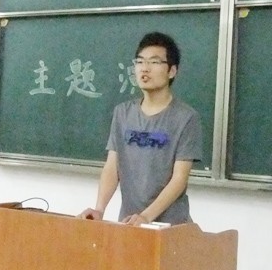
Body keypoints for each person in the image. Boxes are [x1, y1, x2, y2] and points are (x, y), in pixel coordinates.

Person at [78, 31, 203, 226]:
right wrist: (99, 209)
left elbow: (179, 179)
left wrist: (146, 217)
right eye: (140, 61)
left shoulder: (186, 118)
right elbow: (112, 167)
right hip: (130, 224)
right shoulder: (122, 113)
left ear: (171, 71)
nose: (145, 68)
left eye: (154, 62)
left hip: (169, 226)